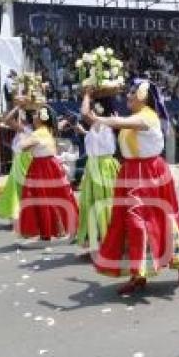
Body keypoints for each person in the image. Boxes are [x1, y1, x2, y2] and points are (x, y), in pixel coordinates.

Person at [85, 80, 179, 295]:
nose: (128, 95)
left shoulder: (147, 117)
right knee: (129, 221)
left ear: (143, 97)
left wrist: (99, 118)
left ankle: (174, 262)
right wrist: (91, 103)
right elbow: (114, 121)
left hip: (149, 173)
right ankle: (138, 273)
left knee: (151, 220)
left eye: (132, 92)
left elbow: (122, 123)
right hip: (131, 171)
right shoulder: (133, 118)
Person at [16, 106, 79, 241]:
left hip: (40, 168)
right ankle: (65, 228)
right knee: (61, 196)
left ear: (40, 118)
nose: (32, 116)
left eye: (35, 114)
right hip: (52, 166)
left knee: (41, 199)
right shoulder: (48, 130)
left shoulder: (38, 133)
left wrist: (24, 137)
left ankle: (48, 230)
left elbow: (22, 146)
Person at [75, 94, 121, 252]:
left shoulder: (105, 123)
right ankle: (99, 238)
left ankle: (110, 239)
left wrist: (86, 93)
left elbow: (84, 113)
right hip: (93, 166)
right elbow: (95, 141)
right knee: (90, 203)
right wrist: (83, 132)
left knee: (105, 202)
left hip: (104, 167)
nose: (91, 111)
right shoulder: (96, 125)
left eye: (94, 107)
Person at [0, 97, 33, 220]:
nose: (19, 119)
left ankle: (25, 214)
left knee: (19, 187)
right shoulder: (27, 129)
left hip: (24, 160)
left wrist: (18, 107)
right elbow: (5, 122)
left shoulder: (25, 129)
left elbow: (7, 120)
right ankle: (24, 213)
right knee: (19, 188)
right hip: (23, 159)